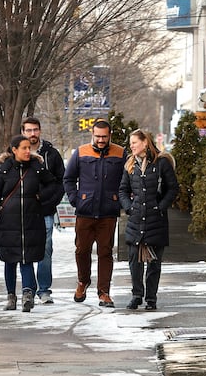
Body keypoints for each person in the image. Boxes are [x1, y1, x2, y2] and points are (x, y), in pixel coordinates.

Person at [0, 135, 63, 312]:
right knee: (10, 261)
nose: (28, 151)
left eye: (29, 148)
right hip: (8, 223)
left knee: (27, 259)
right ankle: (11, 296)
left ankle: (27, 294)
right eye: (24, 148)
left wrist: (43, 199)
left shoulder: (37, 168)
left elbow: (54, 186)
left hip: (32, 221)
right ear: (14, 150)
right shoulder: (4, 170)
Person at [63, 119, 126, 307]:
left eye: (104, 137)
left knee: (105, 252)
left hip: (108, 212)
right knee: (82, 250)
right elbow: (68, 178)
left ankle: (104, 292)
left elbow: (127, 180)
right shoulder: (81, 152)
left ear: (110, 135)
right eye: (97, 136)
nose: (100, 140)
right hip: (85, 211)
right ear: (92, 134)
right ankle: (83, 282)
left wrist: (120, 200)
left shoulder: (120, 153)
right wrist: (76, 199)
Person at [119, 129, 178, 311]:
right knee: (134, 261)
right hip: (136, 219)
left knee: (154, 263)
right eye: (130, 143)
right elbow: (122, 190)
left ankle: (151, 298)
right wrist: (129, 207)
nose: (131, 146)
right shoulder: (130, 164)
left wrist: (160, 207)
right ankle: (137, 295)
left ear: (145, 142)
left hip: (155, 220)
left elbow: (173, 188)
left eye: (134, 142)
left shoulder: (161, 163)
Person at [21, 116, 65, 304]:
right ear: (23, 132)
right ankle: (28, 288)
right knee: (26, 250)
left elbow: (61, 182)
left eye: (35, 130)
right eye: (29, 130)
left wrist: (48, 201)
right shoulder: (16, 152)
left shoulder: (51, 154)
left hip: (45, 211)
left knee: (45, 249)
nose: (33, 133)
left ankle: (44, 289)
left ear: (40, 131)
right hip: (23, 211)